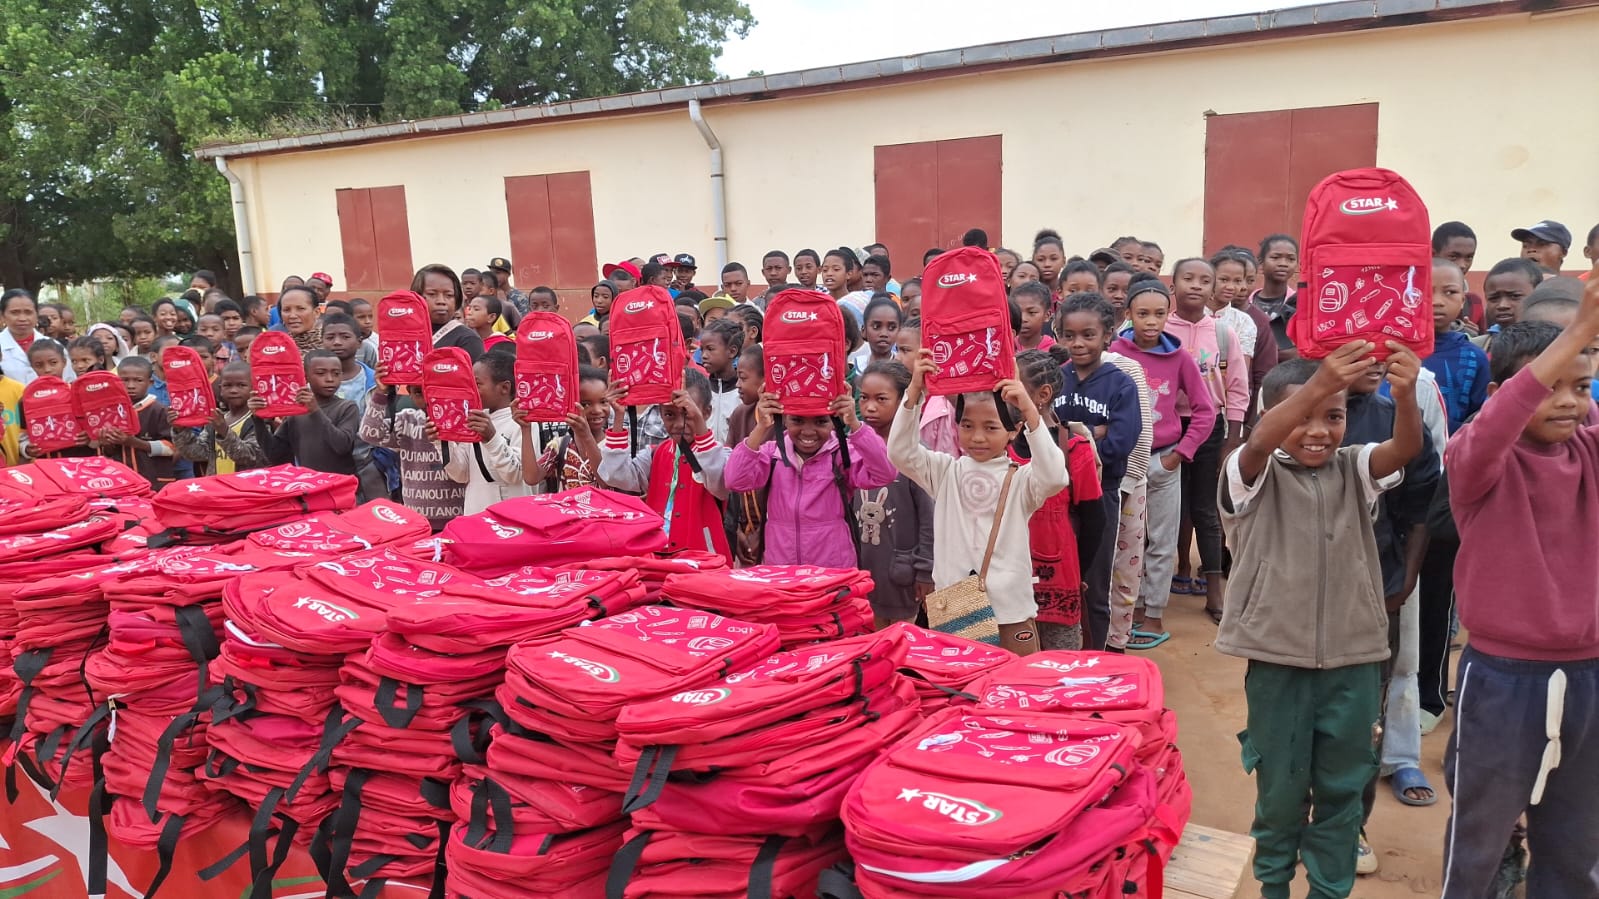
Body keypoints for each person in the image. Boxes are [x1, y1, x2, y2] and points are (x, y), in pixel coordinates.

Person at [1219, 341, 1423, 899]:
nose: (1318, 431)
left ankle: (1329, 890)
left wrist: (1404, 396)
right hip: (1278, 663)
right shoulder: (1250, 475)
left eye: (1333, 417)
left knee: (1343, 787)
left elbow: (1406, 446)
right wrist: (1318, 386)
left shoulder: (1355, 468)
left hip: (1354, 662)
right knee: (1281, 793)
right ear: (1273, 414)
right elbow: (1260, 440)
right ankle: (1274, 887)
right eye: (1302, 416)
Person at [1439, 283, 1599, 897]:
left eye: (1581, 389)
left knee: (1577, 842)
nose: (1568, 402)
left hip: (1588, 674)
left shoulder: (1588, 449)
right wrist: (1579, 333)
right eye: (1551, 386)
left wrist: (1580, 352)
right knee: (1479, 841)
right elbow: (1502, 417)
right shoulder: (1477, 460)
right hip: (1505, 678)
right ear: (1505, 394)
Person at [890, 349, 1068, 656]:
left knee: (1011, 685)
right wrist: (914, 392)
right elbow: (900, 452)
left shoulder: (1021, 479)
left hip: (1010, 609)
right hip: (956, 603)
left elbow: (1055, 476)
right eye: (967, 425)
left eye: (991, 427)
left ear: (1013, 432)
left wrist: (1028, 408)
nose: (977, 437)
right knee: (962, 687)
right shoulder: (946, 472)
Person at [1112, 280, 1216, 648]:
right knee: (1124, 542)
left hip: (1163, 462)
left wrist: (1180, 454)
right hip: (1123, 464)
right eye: (1142, 314)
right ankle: (1128, 609)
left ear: (1168, 315)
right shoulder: (1115, 354)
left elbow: (1206, 411)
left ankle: (1153, 613)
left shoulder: (1180, 358)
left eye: (1159, 314)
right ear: (1128, 315)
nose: (1151, 322)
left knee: (1162, 540)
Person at [724, 378, 897, 570]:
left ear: (834, 422)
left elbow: (885, 473)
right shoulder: (772, 454)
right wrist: (761, 427)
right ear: (784, 419)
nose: (808, 431)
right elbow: (734, 480)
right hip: (781, 567)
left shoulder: (841, 454)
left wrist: (854, 424)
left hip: (832, 570)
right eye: (797, 420)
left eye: (821, 421)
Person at [1055, 292, 1142, 650]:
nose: (1078, 343)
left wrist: (1073, 438)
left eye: (1088, 335)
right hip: (1055, 497)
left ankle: (1098, 657)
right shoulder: (1056, 378)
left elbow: (1121, 442)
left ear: (1108, 335)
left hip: (1099, 496)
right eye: (1069, 335)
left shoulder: (1120, 383)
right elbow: (1039, 434)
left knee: (1094, 581)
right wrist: (1093, 432)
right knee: (1056, 580)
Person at [1165, 259, 1248, 621]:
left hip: (1209, 426)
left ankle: (1215, 588)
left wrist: (1231, 438)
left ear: (1212, 288)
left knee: (1206, 509)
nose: (1195, 286)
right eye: (1188, 278)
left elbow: (1238, 388)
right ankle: (1164, 579)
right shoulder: (1159, 326)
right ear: (1174, 285)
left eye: (1204, 280)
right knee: (1169, 509)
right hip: (1167, 427)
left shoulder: (1223, 333)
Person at [1012, 349, 1105, 650]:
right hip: (1010, 580)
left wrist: (1080, 574)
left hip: (1059, 581)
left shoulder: (1075, 450)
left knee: (1058, 668)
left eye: (1014, 387)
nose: (1005, 394)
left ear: (1042, 394)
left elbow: (1095, 519)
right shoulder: (999, 446)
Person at [600, 370, 732, 560]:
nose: (679, 424)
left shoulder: (720, 454)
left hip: (704, 559)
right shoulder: (657, 453)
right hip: (658, 556)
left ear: (707, 412)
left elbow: (720, 484)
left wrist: (701, 430)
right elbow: (617, 476)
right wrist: (619, 416)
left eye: (687, 413)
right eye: (669, 414)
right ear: (660, 414)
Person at [854, 360, 935, 628]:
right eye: (864, 398)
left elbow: (929, 518)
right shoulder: (855, 451)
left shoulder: (914, 455)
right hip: (866, 572)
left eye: (881, 399)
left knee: (903, 643)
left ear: (902, 401)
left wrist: (925, 570)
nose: (870, 407)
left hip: (902, 575)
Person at [360, 375, 465, 532]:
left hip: (458, 517)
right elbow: (369, 433)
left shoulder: (460, 421)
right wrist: (381, 393)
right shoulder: (407, 421)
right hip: (416, 518)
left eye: (433, 391)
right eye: (418, 392)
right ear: (410, 392)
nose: (427, 399)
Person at [432, 348, 529, 515]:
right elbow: (460, 474)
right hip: (475, 517)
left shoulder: (522, 423)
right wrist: (441, 440)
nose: (470, 390)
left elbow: (516, 474)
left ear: (504, 388)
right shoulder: (475, 418)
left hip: (511, 522)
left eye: (477, 384)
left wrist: (492, 438)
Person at [253, 350, 363, 485]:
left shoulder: (347, 408)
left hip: (341, 486)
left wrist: (315, 411)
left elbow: (341, 446)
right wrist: (257, 418)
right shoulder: (297, 411)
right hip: (310, 487)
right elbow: (275, 454)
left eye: (336, 373)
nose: (330, 379)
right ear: (305, 376)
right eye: (321, 373)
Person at [521, 365, 610, 492]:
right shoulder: (560, 444)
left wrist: (586, 436)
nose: (597, 410)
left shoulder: (615, 447)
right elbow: (531, 478)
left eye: (603, 402)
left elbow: (606, 481)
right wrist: (525, 429)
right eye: (585, 404)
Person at [1426, 258, 1490, 433]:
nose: (1437, 301)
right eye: (1426, 291)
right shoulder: (1392, 349)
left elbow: (1479, 417)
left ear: (1462, 300)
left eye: (1450, 292)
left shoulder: (1474, 357)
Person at [173, 361, 265, 475]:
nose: (234, 390)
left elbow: (251, 458)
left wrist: (224, 431)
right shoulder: (217, 419)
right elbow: (196, 453)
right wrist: (180, 430)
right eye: (228, 385)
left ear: (254, 387)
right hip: (218, 488)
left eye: (241, 385)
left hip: (247, 488)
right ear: (220, 389)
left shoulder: (259, 420)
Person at [100, 355, 177, 489]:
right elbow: (108, 452)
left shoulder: (159, 410)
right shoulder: (111, 412)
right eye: (124, 380)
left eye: (138, 380)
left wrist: (133, 442)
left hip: (154, 481)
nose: (130, 386)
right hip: (121, 481)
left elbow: (171, 448)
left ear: (150, 382)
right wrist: (107, 444)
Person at [411, 264, 484, 358]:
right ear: (417, 296)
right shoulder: (405, 334)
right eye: (432, 294)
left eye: (449, 295)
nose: (441, 301)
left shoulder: (468, 339)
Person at [1253, 234, 1300, 360]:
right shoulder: (1246, 302)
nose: (1283, 264)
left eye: (1291, 259)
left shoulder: (1300, 304)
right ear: (1261, 262)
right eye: (1275, 257)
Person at [1477, 257, 1544, 344]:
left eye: (1515, 296)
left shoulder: (1554, 344)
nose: (1502, 305)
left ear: (1538, 295)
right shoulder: (1479, 346)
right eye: (1494, 298)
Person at [698, 317, 743, 445]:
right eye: (702, 350)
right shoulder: (700, 389)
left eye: (710, 349)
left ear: (732, 351)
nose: (704, 355)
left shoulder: (743, 392)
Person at [319, 313, 375, 408]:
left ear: (359, 342)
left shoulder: (374, 382)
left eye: (345, 337)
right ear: (322, 342)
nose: (337, 342)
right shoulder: (314, 382)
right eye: (330, 338)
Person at [1, 289, 42, 385]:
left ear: (37, 314)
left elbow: (68, 381)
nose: (22, 318)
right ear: (2, 315)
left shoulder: (54, 346)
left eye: (28, 312)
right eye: (15, 312)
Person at [853, 295, 902, 372]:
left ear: (899, 332)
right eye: (876, 326)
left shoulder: (904, 369)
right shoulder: (855, 368)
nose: (884, 334)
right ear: (863, 331)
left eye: (891, 328)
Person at [277, 285, 322, 354]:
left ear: (316, 312)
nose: (292, 316)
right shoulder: (275, 347)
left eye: (301, 309)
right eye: (286, 310)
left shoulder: (332, 345)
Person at [1012, 281, 1054, 352]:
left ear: (1047, 315)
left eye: (1032, 312)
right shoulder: (1005, 347)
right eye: (1018, 312)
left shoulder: (1053, 352)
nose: (1023, 319)